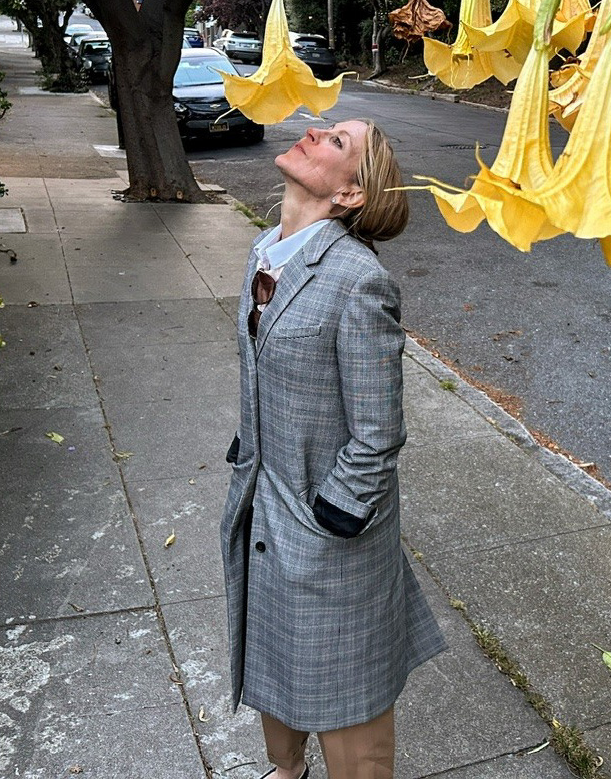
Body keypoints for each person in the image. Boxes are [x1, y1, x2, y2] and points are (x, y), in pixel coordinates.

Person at [220, 119, 446, 779]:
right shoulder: (266, 248)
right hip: (262, 502)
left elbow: (378, 432)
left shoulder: (357, 282)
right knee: (270, 648)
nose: (316, 131)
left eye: (338, 142)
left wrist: (332, 518)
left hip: (327, 533)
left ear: (349, 195)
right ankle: (284, 770)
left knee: (348, 696)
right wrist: (249, 449)